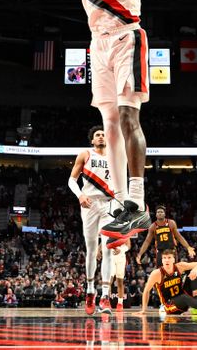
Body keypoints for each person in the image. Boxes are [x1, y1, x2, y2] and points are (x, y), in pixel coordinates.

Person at [52, 0, 179, 245]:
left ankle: (138, 202)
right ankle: (124, 204)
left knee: (128, 118)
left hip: (127, 37)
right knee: (109, 129)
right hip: (97, 44)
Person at [69, 126, 115, 315]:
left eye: (104, 134)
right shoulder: (85, 154)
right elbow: (71, 180)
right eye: (98, 135)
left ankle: (105, 296)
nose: (101, 136)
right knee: (91, 249)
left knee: (108, 248)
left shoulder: (115, 156)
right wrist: (80, 195)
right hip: (89, 204)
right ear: (92, 140)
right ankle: (89, 291)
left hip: (108, 204)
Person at [134, 249, 197, 317]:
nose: (166, 260)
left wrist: (195, 270)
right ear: (162, 261)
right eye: (164, 258)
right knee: (183, 297)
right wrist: (143, 310)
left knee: (191, 273)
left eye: (169, 258)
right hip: (170, 306)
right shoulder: (157, 273)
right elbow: (146, 291)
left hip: (183, 300)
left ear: (174, 260)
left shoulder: (180, 266)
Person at [110, 238, 130, 311]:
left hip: (121, 257)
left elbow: (128, 245)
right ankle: (107, 301)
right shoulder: (110, 229)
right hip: (111, 256)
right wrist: (99, 249)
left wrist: (121, 250)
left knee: (120, 282)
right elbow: (105, 241)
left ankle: (120, 303)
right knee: (109, 280)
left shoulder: (125, 230)